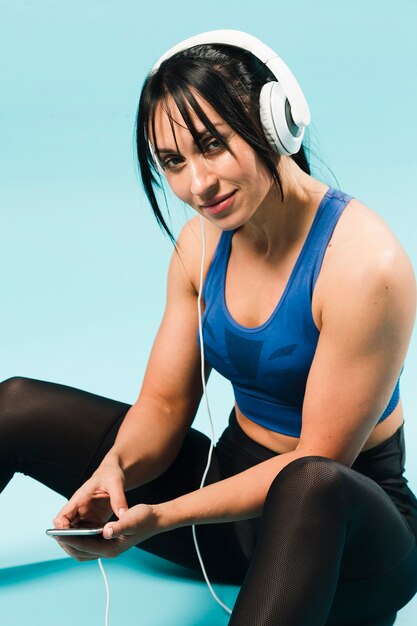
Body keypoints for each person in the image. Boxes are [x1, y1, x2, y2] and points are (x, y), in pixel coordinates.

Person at [1, 29, 417, 626]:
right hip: (229, 505)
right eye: (173, 161)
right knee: (15, 405)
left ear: (276, 124)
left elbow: (318, 459)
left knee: (311, 483)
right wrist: (116, 469)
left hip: (343, 536)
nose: (198, 185)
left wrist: (165, 516)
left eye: (213, 145)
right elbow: (166, 405)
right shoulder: (200, 247)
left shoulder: (364, 267)